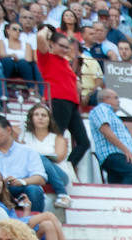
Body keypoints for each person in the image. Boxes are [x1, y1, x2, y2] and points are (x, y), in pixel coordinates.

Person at [34, 27, 90, 170]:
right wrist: (47, 29)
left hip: (72, 104)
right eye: (62, 46)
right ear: (51, 44)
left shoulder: (65, 62)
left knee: (84, 142)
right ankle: (50, 169)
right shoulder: (46, 57)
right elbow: (40, 37)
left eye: (67, 47)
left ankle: (67, 167)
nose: (65, 49)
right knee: (56, 138)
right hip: (58, 101)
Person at [86, 89, 132, 184]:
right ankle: (123, 199)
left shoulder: (110, 114)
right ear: (106, 98)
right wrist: (125, 150)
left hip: (117, 153)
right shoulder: (101, 109)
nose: (118, 101)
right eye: (115, 98)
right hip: (113, 153)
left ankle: (117, 198)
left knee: (117, 182)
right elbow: (105, 130)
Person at [0, 114, 48, 213]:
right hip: (0, 189)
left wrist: (21, 181)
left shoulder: (28, 151)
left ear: (8, 130)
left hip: (21, 188)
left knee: (34, 189)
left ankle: (34, 224)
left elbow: (41, 178)